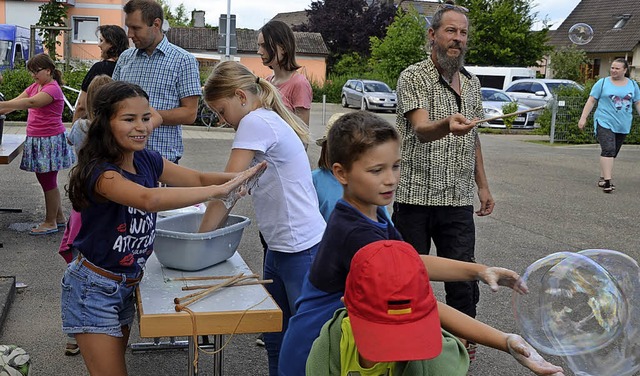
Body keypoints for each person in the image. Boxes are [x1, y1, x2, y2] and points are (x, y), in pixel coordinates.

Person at [278, 111, 534, 376]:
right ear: (341, 173)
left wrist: (479, 271)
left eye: (396, 165)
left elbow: (412, 261)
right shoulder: (356, 235)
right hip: (320, 352)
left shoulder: (366, 210)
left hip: (347, 343)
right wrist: (503, 340)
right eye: (376, 170)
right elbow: (421, 307)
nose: (390, 179)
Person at [61, 80, 265, 376]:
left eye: (145, 118)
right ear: (105, 123)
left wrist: (238, 177)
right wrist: (217, 192)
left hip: (125, 284)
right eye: (129, 119)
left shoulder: (146, 158)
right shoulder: (101, 173)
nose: (141, 126)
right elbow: (149, 199)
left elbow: (195, 178)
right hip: (93, 289)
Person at [200, 60, 326, 375]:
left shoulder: (255, 121)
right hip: (281, 248)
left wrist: (198, 241)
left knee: (306, 345)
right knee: (275, 337)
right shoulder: (264, 118)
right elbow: (238, 185)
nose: (221, 120)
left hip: (301, 249)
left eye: (221, 111)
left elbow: (225, 190)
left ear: (241, 97)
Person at [392, 1, 492, 353]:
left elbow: (474, 136)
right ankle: (405, 337)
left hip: (457, 198)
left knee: (463, 276)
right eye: (451, 31)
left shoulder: (472, 83)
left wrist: (483, 186)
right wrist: (447, 124)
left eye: (463, 33)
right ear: (432, 35)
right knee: (408, 276)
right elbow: (420, 129)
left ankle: (464, 342)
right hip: (415, 198)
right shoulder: (413, 76)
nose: (458, 39)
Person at [307, 239, 565, 376]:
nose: (395, 349)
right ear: (348, 307)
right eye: (382, 335)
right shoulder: (330, 349)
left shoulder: (438, 356)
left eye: (406, 333)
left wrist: (508, 341)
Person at [113, 0, 201, 163]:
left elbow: (189, 113)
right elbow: (111, 103)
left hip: (161, 161)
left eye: (136, 28)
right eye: (128, 27)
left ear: (156, 24)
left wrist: (145, 118)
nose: (129, 35)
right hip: (123, 158)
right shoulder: (125, 58)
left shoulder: (183, 60)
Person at [0, 53, 75, 235]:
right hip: (40, 139)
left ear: (48, 71)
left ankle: (50, 222)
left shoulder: (52, 89)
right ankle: (58, 218)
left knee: (48, 180)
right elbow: (15, 103)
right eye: (31, 72)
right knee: (47, 180)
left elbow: (31, 103)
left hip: (48, 140)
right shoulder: (36, 86)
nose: (33, 75)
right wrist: (3, 107)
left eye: (36, 71)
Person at [578, 58, 640, 193]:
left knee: (612, 152)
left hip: (623, 124)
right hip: (604, 120)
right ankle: (607, 182)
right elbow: (591, 100)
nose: (614, 70)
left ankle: (602, 177)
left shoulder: (633, 85)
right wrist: (583, 118)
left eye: (617, 68)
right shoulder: (602, 83)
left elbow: (637, 103)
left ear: (625, 70)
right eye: (612, 67)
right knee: (608, 149)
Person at [257, 20, 312, 125]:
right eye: (259, 45)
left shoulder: (299, 84)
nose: (259, 51)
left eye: (265, 46)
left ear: (283, 48)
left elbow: (302, 132)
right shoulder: (268, 82)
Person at [72, 25, 128, 122]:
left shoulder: (99, 68)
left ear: (111, 44)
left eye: (101, 41)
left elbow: (82, 105)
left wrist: (75, 127)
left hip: (99, 124)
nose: (99, 45)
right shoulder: (128, 68)